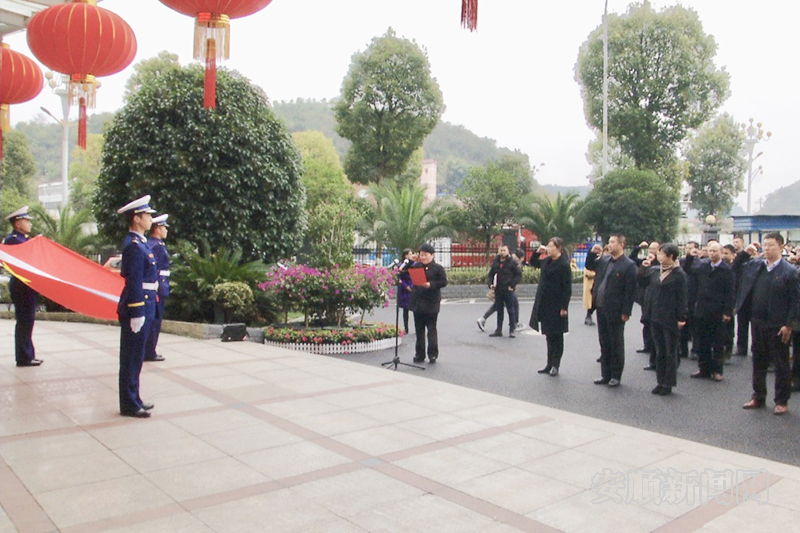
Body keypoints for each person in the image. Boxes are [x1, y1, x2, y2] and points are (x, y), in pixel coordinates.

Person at [738, 232, 800, 415]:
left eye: (771, 245)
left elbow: (795, 301)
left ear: (781, 247)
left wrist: (789, 325)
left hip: (778, 324)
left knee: (781, 363)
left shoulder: (789, 272)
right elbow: (736, 269)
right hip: (758, 321)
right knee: (758, 360)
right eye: (765, 245)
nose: (767, 248)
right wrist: (745, 253)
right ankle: (758, 395)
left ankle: (781, 400)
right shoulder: (757, 266)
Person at [117, 195, 159, 418]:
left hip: (146, 303)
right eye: (147, 215)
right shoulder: (133, 246)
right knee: (131, 357)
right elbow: (133, 280)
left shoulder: (141, 243)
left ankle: (135, 397)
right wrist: (137, 310)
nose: (150, 219)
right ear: (136, 218)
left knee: (137, 356)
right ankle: (129, 403)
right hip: (138, 305)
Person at [586, 234, 637, 387]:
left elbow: (630, 291)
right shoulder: (604, 260)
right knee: (604, 342)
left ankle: (616, 375)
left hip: (616, 310)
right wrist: (592, 253)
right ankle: (605, 374)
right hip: (601, 307)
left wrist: (626, 311)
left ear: (621, 245)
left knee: (616, 343)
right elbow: (590, 265)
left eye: (613, 242)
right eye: (609, 242)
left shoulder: (628, 265)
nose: (609, 244)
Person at [639, 243, 687, 396]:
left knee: (670, 351)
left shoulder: (679, 274)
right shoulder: (655, 271)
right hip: (655, 316)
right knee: (659, 351)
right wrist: (643, 267)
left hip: (670, 317)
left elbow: (682, 298)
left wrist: (681, 317)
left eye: (661, 254)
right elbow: (641, 281)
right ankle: (660, 381)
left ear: (671, 256)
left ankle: (668, 383)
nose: (658, 256)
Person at [684, 241, 734, 383]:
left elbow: (730, 292)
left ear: (721, 252)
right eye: (710, 251)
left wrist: (728, 311)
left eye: (715, 251)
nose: (712, 253)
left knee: (718, 343)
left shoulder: (726, 270)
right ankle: (703, 368)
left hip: (718, 310)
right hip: (702, 309)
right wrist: (690, 256)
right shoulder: (703, 266)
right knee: (702, 341)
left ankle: (717, 371)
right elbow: (687, 270)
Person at [3, 206, 43, 367]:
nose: (29, 224)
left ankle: (28, 354)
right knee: (24, 322)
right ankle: (24, 357)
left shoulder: (24, 239)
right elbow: (26, 253)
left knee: (28, 321)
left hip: (27, 286)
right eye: (26, 221)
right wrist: (36, 243)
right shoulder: (13, 239)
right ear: (17, 223)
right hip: (21, 286)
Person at [529, 237, 571, 376]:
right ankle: (549, 363)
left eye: (551, 246)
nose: (548, 248)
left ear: (558, 248)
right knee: (548, 335)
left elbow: (567, 288)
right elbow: (533, 262)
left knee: (557, 336)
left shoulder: (563, 264)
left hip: (557, 304)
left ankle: (556, 364)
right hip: (545, 303)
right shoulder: (546, 261)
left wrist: (564, 307)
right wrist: (537, 252)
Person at [410, 243, 448, 363]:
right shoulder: (417, 266)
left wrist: (430, 284)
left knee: (431, 329)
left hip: (431, 303)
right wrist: (411, 260)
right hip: (418, 302)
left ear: (432, 255)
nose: (423, 257)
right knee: (419, 330)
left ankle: (432, 354)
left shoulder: (438, 268)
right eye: (421, 255)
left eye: (425, 255)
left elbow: (443, 282)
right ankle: (419, 354)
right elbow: (406, 271)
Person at [477, 248, 525, 332]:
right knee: (512, 306)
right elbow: (515, 275)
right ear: (521, 257)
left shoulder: (503, 259)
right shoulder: (513, 261)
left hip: (500, 287)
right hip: (504, 287)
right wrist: (512, 285)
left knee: (498, 305)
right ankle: (514, 324)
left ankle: (484, 319)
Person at [144, 214, 170, 362]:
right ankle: (149, 351)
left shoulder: (157, 245)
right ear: (157, 229)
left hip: (160, 286)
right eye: (164, 227)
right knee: (154, 321)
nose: (166, 230)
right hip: (158, 288)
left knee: (155, 321)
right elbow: (155, 270)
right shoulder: (155, 246)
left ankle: (150, 350)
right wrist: (159, 289)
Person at [631, 241, 660, 355]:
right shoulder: (644, 261)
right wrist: (638, 248)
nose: (651, 251)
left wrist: (654, 261)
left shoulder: (660, 263)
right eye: (650, 249)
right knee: (645, 321)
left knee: (655, 323)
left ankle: (655, 346)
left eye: (654, 249)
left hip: (656, 297)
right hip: (645, 296)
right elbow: (632, 259)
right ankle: (647, 345)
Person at [487, 244, 522, 338]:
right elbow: (491, 274)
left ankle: (512, 330)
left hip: (508, 289)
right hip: (498, 289)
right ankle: (498, 330)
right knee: (499, 310)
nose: (502, 252)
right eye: (501, 250)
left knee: (511, 310)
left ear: (508, 251)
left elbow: (518, 275)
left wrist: (512, 285)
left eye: (504, 250)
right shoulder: (496, 261)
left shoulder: (512, 262)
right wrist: (490, 284)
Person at [396, 248, 417, 334]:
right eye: (410, 254)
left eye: (412, 254)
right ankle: (406, 328)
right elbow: (399, 278)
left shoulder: (415, 264)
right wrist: (405, 286)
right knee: (405, 310)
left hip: (412, 287)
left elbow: (416, 276)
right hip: (404, 289)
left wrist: (411, 286)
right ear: (405, 256)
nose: (411, 255)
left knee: (415, 310)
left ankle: (417, 328)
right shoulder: (401, 265)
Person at [583, 243, 602, 326]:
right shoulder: (591, 258)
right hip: (592, 282)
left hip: (601, 282)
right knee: (592, 300)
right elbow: (588, 266)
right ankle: (588, 316)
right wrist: (592, 252)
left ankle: (590, 316)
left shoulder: (604, 258)